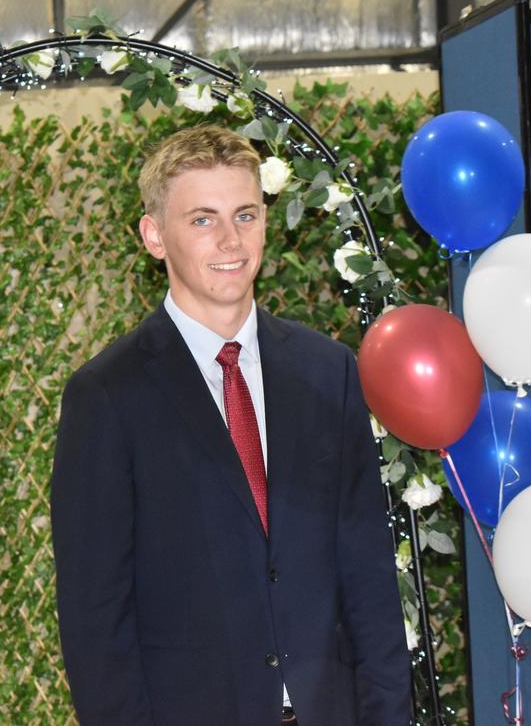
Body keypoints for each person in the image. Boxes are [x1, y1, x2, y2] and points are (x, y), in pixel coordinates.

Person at [51, 124, 410, 725]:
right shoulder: (106, 396)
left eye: (246, 215)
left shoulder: (330, 371)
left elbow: (368, 573)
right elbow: (95, 620)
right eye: (201, 219)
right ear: (153, 236)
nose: (229, 239)